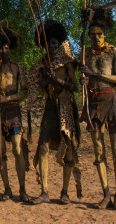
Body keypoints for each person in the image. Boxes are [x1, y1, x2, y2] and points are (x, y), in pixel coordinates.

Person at [27, 20, 80, 205]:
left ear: (59, 44)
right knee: (43, 146)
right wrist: (46, 77)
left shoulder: (67, 62)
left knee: (68, 150)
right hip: (50, 107)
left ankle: (65, 192)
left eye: (55, 43)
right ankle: (44, 191)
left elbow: (75, 87)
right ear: (44, 45)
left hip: (66, 106)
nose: (52, 46)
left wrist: (58, 81)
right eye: (49, 43)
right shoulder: (42, 64)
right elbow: (40, 87)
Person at [80, 5, 116, 210]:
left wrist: (98, 75)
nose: (96, 37)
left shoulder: (112, 51)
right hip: (93, 103)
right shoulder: (85, 54)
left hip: (110, 101)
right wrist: (83, 80)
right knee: (98, 150)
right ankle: (106, 193)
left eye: (99, 34)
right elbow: (83, 78)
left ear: (105, 33)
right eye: (92, 34)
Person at [0, 25, 30, 202]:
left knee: (18, 150)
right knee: (1, 152)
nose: (4, 51)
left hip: (13, 113)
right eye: (1, 48)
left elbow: (25, 91)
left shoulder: (18, 67)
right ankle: (7, 188)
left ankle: (22, 189)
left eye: (6, 48)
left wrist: (9, 99)